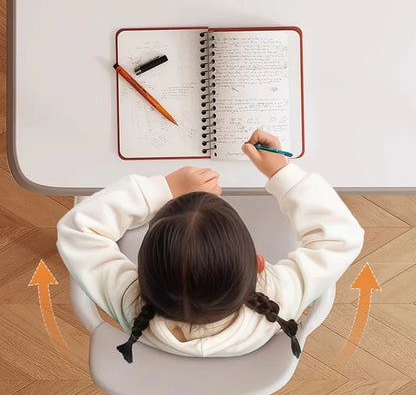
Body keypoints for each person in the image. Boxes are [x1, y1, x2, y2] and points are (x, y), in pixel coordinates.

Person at [56, 129, 365, 364]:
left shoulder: (129, 303)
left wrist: (164, 188)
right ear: (259, 263)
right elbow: (343, 235)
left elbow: (77, 230)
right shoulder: (280, 296)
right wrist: (282, 172)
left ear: (139, 270)